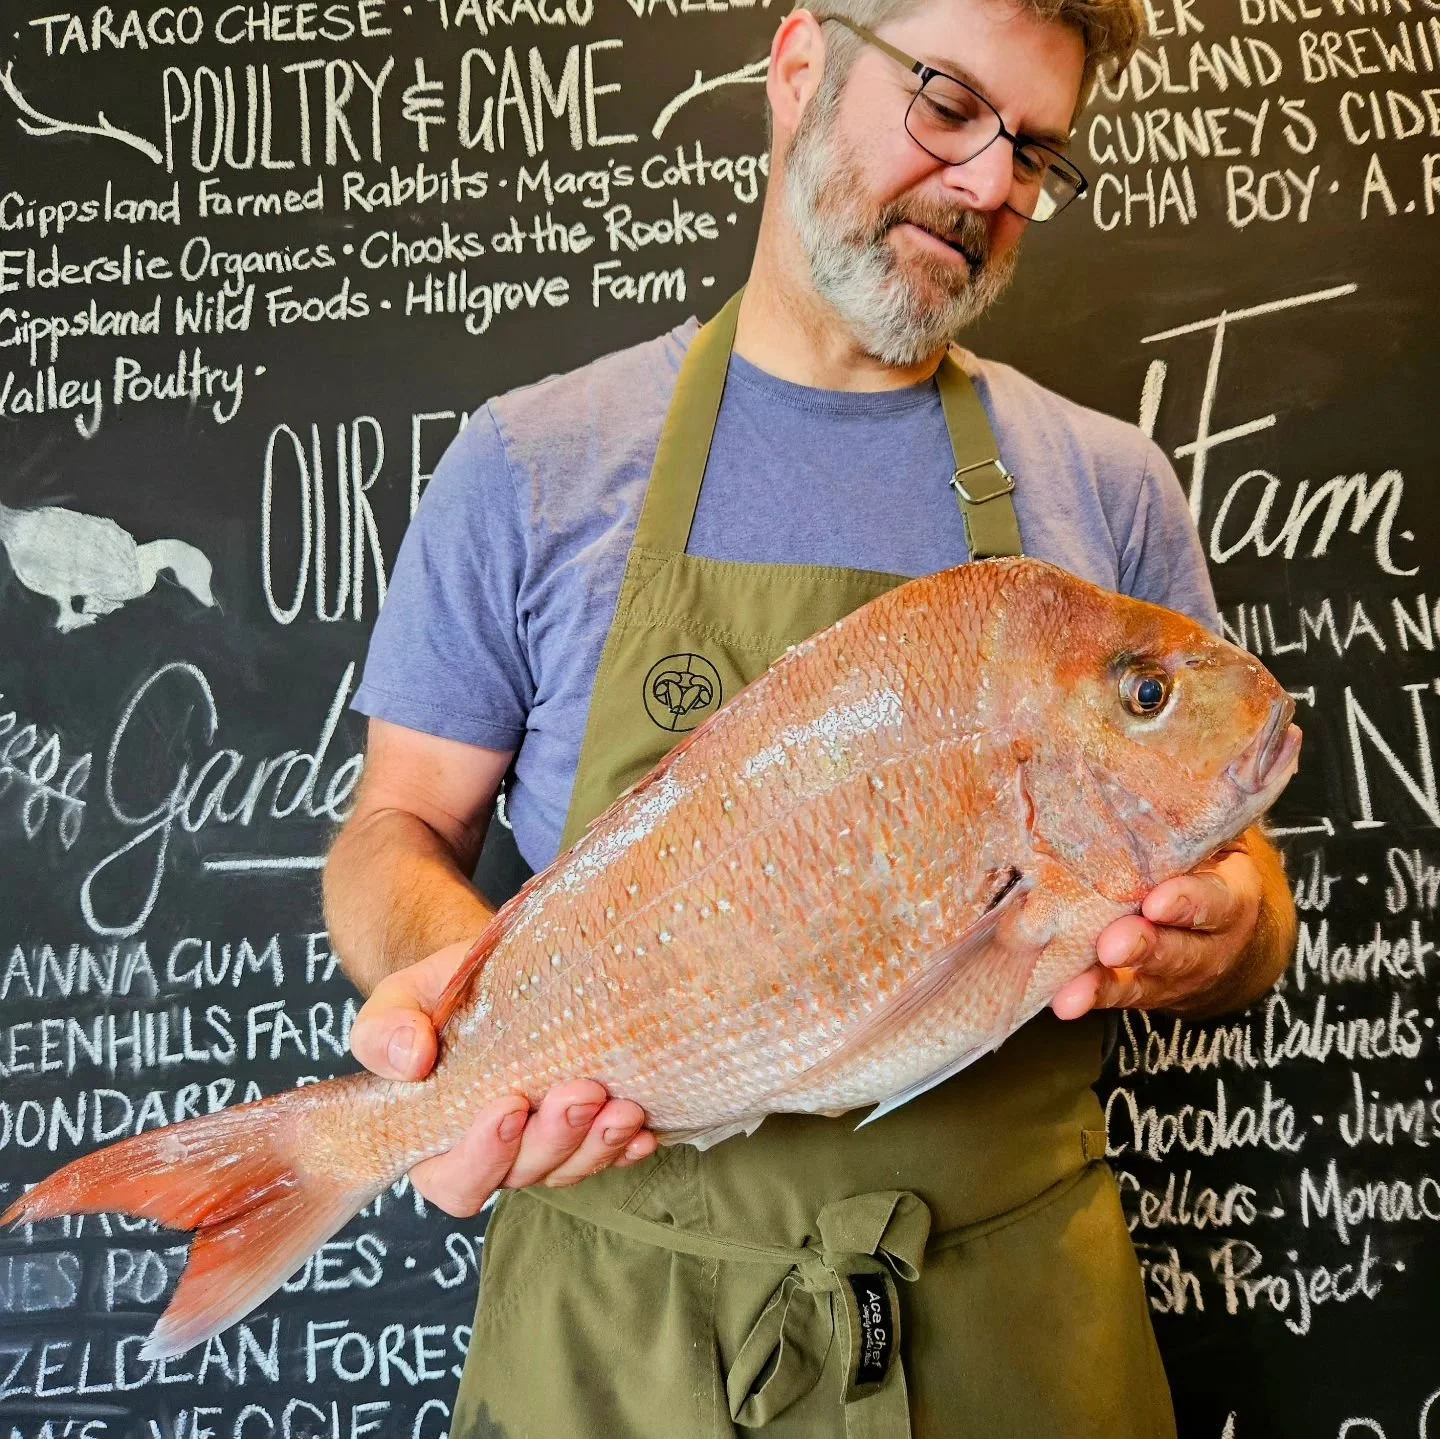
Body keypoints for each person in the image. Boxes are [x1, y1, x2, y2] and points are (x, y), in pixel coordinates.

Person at [323, 0, 1298, 1431]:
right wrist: (476, 1027)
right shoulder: (533, 463)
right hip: (624, 1335)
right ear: (798, 68)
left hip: (1015, 1328)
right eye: (947, 105)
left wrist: (1234, 934)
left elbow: (1246, 873)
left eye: (1033, 151)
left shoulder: (1111, 483)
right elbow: (393, 827)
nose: (987, 186)